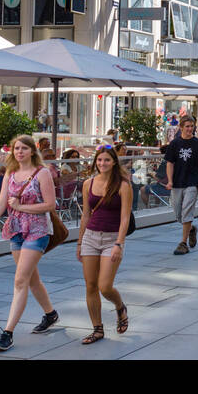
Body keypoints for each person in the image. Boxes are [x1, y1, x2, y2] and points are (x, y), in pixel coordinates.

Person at [0, 135, 59, 352]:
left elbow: (50, 205)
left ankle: (7, 333)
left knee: (20, 280)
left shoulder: (42, 173)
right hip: (16, 230)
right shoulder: (11, 173)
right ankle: (51, 314)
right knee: (31, 279)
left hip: (37, 230)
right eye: (16, 148)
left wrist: (21, 207)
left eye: (24, 148)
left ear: (33, 151)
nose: (19, 152)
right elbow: (2, 201)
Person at [76, 146, 132, 343]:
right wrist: (80, 242)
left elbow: (125, 218)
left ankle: (120, 307)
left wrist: (119, 243)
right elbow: (85, 215)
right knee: (90, 285)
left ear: (114, 162)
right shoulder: (88, 184)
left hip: (112, 239)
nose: (102, 164)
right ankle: (97, 329)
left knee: (105, 286)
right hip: (91, 237)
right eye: (99, 160)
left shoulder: (123, 186)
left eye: (106, 160)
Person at [163, 114, 198, 256]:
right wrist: (170, 181)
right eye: (187, 126)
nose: (190, 129)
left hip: (192, 182)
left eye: (192, 126)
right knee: (179, 214)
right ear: (181, 127)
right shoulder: (175, 144)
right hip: (177, 182)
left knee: (187, 211)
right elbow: (170, 163)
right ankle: (191, 230)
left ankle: (183, 243)